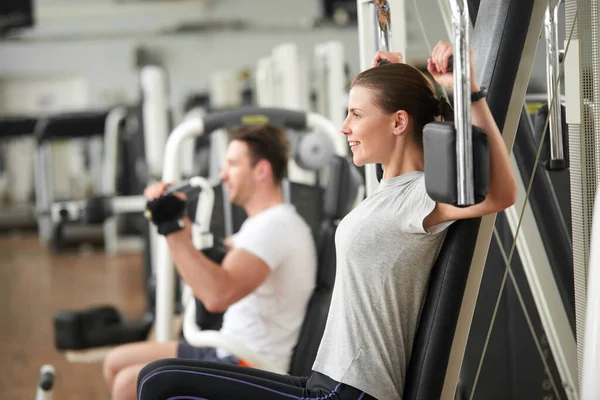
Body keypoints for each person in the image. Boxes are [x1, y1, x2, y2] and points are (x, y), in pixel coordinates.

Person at [136, 40, 517, 400]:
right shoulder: (387, 189)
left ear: (398, 123)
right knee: (152, 377)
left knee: (159, 379)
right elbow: (408, 113)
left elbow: (500, 194)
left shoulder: (418, 196)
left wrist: (469, 93)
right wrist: (399, 77)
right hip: (325, 380)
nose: (344, 127)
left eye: (355, 114)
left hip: (349, 392)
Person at [103, 124, 318, 400]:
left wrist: (170, 227)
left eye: (232, 164)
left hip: (250, 365)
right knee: (115, 361)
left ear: (262, 170)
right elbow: (213, 255)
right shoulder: (262, 225)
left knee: (127, 384)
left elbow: (217, 295)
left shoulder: (276, 227)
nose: (222, 174)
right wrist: (177, 218)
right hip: (225, 350)